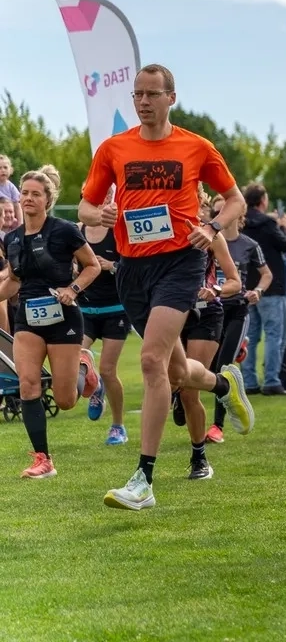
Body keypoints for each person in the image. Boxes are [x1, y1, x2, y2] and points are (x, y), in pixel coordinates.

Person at [79, 63, 253, 511]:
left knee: (153, 361)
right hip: (132, 269)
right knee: (176, 374)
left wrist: (211, 228)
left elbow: (236, 200)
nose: (142, 101)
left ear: (170, 98)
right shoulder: (114, 148)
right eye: (137, 94)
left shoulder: (196, 146)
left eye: (152, 94)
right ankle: (223, 385)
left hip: (180, 263)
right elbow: (86, 202)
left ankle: (144, 479)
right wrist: (96, 215)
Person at [0, 166, 101, 478]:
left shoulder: (65, 231)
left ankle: (84, 367)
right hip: (28, 317)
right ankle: (43, 459)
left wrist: (72, 290)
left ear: (48, 199)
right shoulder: (12, 238)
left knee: (66, 400)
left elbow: (92, 266)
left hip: (63, 318)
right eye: (25, 193)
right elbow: (15, 281)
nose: (28, 198)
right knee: (28, 385)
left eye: (36, 194)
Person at [175, 196, 242, 481]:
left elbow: (235, 281)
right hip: (173, 313)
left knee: (189, 389)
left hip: (206, 313)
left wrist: (214, 289)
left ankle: (199, 457)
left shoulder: (210, 235)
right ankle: (182, 389)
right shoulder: (160, 236)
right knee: (175, 380)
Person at [206, 194, 270, 444]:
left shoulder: (249, 244)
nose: (220, 216)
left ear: (237, 214)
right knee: (208, 367)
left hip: (237, 309)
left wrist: (259, 291)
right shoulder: (208, 241)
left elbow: (266, 274)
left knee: (223, 367)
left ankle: (217, 426)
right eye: (216, 212)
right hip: (211, 310)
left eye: (224, 211)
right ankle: (238, 349)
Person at [79, 189, 131, 445]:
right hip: (86, 310)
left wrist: (111, 266)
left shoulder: (119, 229)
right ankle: (94, 383)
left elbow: (134, 268)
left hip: (116, 310)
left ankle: (118, 426)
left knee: (109, 370)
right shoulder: (78, 231)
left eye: (107, 195)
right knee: (75, 362)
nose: (102, 200)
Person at [240, 183, 286, 395]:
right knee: (274, 335)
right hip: (270, 285)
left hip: (247, 284)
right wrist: (281, 226)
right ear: (263, 201)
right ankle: (271, 379)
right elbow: (285, 245)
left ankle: (250, 381)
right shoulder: (268, 223)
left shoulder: (242, 223)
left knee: (251, 336)